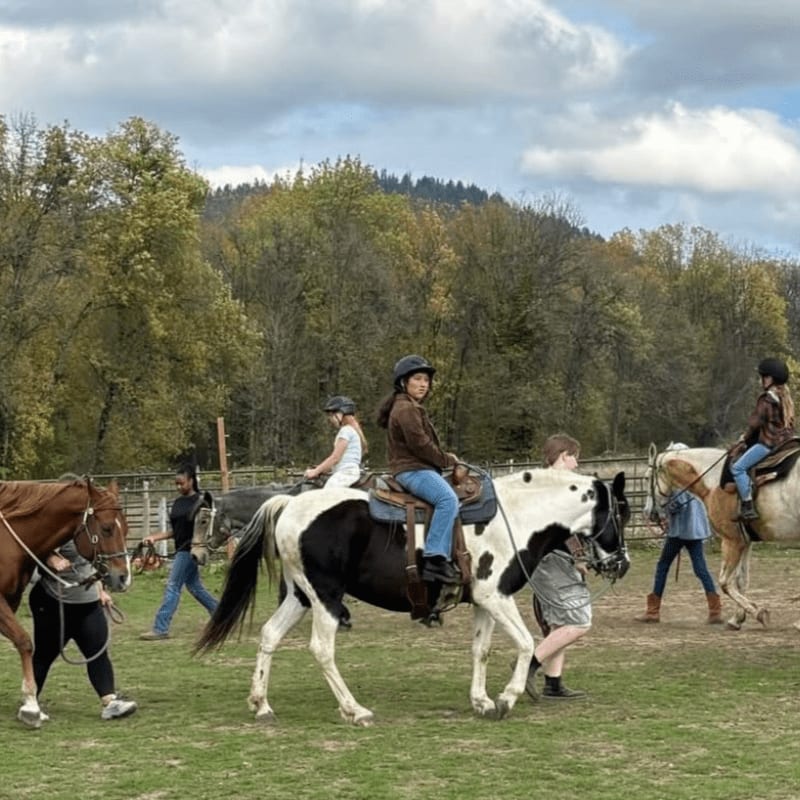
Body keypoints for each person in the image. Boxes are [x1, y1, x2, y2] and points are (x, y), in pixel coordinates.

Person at [26, 540, 137, 722]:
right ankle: (30, 701)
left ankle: (110, 702)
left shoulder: (91, 532)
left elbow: (94, 565)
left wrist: (101, 590)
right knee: (44, 656)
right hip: (55, 602)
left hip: (89, 602)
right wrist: (51, 558)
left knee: (97, 652)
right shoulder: (61, 530)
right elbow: (35, 548)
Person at [376, 354, 461, 584]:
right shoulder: (406, 409)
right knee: (448, 500)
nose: (424, 384)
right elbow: (420, 445)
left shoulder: (408, 406)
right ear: (404, 382)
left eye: (426, 380)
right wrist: (446, 460)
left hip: (416, 467)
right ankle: (434, 558)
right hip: (413, 470)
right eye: (418, 379)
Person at [526, 433, 588, 700]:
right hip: (551, 562)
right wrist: (579, 555)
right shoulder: (554, 486)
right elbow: (561, 529)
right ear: (564, 456)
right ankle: (528, 665)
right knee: (579, 622)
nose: (577, 464)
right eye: (575, 457)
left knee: (559, 623)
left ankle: (553, 684)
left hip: (545, 561)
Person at [636, 443, 722, 624]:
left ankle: (653, 611)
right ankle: (715, 609)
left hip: (680, 531)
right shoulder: (694, 476)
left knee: (663, 566)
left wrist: (663, 514)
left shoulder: (678, 480)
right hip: (695, 531)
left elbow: (676, 504)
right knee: (701, 569)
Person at [139, 464, 219, 640]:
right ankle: (221, 613)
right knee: (194, 587)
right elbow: (175, 531)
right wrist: (154, 538)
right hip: (180, 549)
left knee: (173, 586)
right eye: (176, 483)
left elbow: (206, 528)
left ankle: (160, 628)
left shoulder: (201, 502)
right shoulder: (177, 503)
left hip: (190, 550)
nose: (178, 486)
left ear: (191, 481)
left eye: (181, 483)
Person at [731, 358, 795, 520]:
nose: (762, 380)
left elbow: (755, 423)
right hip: (786, 441)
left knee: (738, 468)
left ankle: (747, 506)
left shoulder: (767, 399)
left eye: (764, 377)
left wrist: (743, 438)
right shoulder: (786, 398)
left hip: (769, 443)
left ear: (771, 379)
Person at [304, 395, 368, 488]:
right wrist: (321, 468)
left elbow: (335, 458)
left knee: (327, 494)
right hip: (349, 472)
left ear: (343, 414)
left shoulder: (345, 431)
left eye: (332, 415)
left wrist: (315, 471)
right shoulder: (353, 430)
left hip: (345, 473)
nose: (331, 419)